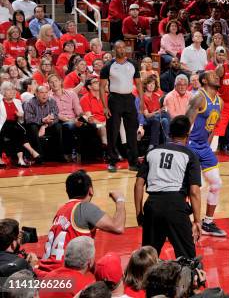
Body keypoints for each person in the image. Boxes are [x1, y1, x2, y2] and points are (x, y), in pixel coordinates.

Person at [134, 115, 202, 259]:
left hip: (152, 205)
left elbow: (139, 184)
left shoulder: (152, 152)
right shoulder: (190, 155)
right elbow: (194, 191)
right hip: (175, 206)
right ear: (188, 134)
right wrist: (197, 220)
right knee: (187, 259)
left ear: (169, 133)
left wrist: (139, 212)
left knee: (147, 259)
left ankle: (144, 281)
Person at [41, 170, 125, 269]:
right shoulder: (85, 207)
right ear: (91, 190)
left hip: (46, 273)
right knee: (111, 264)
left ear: (68, 191)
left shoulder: (61, 210)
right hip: (65, 275)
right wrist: (120, 200)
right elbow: (118, 227)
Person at [185, 71, 226, 238]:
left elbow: (212, 127)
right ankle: (184, 222)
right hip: (191, 146)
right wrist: (183, 148)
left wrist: (207, 146)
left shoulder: (220, 102)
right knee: (193, 187)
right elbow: (186, 123)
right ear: (203, 80)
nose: (217, 76)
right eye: (212, 75)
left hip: (204, 147)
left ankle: (208, 223)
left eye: (217, 75)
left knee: (216, 184)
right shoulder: (199, 97)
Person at [100, 41, 144, 172]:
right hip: (114, 99)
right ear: (114, 50)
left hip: (129, 99)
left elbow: (139, 84)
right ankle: (112, 161)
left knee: (132, 131)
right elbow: (102, 87)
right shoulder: (108, 66)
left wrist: (141, 101)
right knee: (112, 131)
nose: (121, 50)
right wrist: (104, 106)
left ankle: (133, 162)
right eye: (118, 47)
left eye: (123, 47)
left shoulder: (133, 64)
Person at [0, 82, 39, 166]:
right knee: (18, 131)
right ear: (3, 92)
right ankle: (29, 153)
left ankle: (21, 159)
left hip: (15, 125)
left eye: (13, 89)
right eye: (8, 90)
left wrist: (20, 116)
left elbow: (21, 120)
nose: (12, 92)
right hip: (3, 125)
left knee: (17, 131)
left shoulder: (17, 102)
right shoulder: (0, 103)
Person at [23, 85, 63, 161]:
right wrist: (42, 120)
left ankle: (58, 155)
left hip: (47, 126)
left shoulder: (52, 101)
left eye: (46, 92)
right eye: (42, 92)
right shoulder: (30, 103)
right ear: (36, 94)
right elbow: (28, 119)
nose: (44, 95)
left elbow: (56, 116)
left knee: (58, 126)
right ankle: (39, 155)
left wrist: (44, 125)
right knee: (33, 127)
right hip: (35, 127)